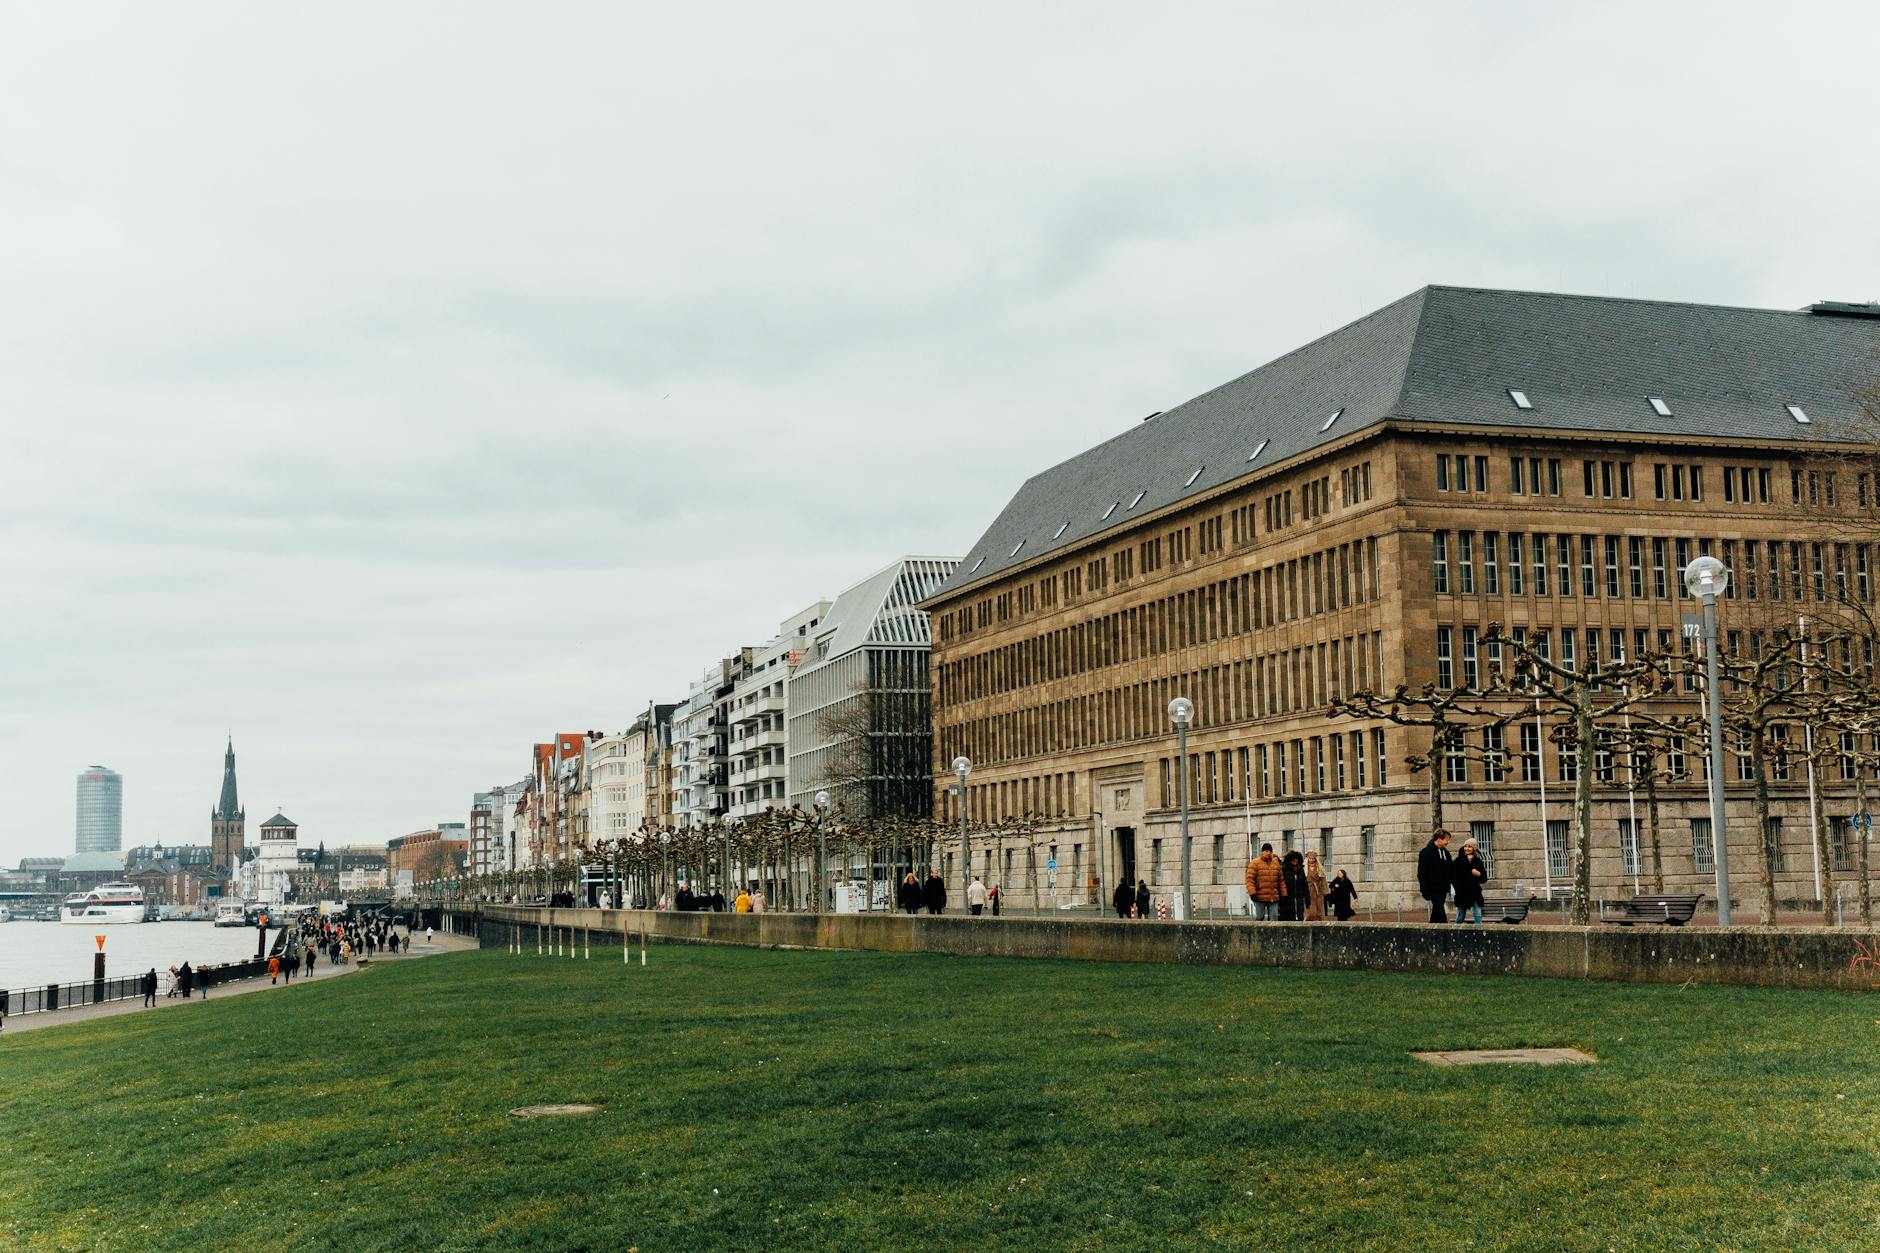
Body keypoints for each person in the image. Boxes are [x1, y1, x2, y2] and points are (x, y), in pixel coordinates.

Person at [1417, 828, 1454, 923]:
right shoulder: (1425, 852)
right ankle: (1446, 931)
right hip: (1431, 889)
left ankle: (1430, 931)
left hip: (1443, 888)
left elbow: (1451, 869)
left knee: (1436, 913)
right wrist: (1424, 889)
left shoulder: (1446, 853)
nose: (1448, 842)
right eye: (1447, 839)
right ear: (1439, 839)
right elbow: (1421, 873)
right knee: (1441, 911)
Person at [1452, 838, 1487, 925]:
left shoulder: (1478, 861)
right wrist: (1457, 889)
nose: (1467, 848)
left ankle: (1478, 933)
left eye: (1470, 847)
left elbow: (1484, 878)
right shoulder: (1458, 861)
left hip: (1475, 892)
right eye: (1465, 846)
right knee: (1461, 916)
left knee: (1478, 914)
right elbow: (1453, 877)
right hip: (1462, 892)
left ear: (1474, 849)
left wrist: (1478, 874)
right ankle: (1456, 933)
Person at [1246, 843, 1284, 921]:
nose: (1268, 853)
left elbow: (1281, 880)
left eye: (1270, 851)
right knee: (1260, 917)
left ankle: (1273, 933)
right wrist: (1252, 893)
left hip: (1273, 896)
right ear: (1262, 852)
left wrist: (1283, 894)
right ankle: (1258, 932)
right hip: (1259, 896)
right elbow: (1250, 879)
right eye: (1266, 851)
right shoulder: (1254, 863)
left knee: (1274, 917)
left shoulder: (1276, 863)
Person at [1280, 851, 1309, 922]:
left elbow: (1305, 885)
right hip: (1287, 898)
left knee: (1299, 918)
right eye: (1293, 860)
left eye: (1297, 860)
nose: (1295, 862)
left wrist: (1307, 898)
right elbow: (1281, 883)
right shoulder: (1284, 870)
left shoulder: (1301, 870)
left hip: (1299, 898)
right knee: (1288, 919)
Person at [1303, 851, 1329, 922]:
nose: (1311, 860)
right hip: (1308, 890)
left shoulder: (1319, 868)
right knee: (1309, 906)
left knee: (1319, 906)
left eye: (1313, 859)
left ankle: (1320, 919)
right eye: (1310, 858)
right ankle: (1308, 919)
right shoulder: (1304, 868)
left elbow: (1323, 879)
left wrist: (1326, 891)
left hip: (1318, 890)